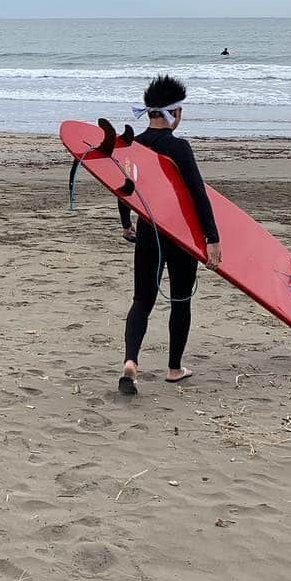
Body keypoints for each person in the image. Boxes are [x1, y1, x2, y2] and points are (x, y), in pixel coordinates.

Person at [117, 76, 221, 395]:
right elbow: (197, 194)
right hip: (180, 236)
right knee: (180, 300)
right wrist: (212, 238)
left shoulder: (134, 146)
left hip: (149, 232)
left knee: (142, 300)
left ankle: (130, 362)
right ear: (174, 112)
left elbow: (123, 191)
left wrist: (126, 224)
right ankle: (174, 369)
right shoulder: (179, 147)